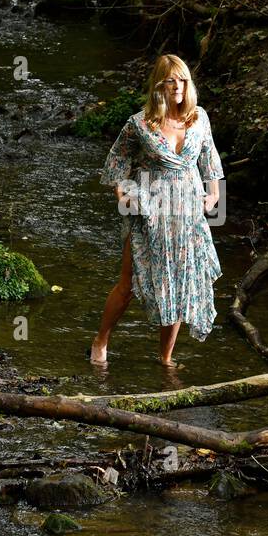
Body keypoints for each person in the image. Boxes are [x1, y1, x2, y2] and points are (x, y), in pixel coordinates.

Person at [89, 54, 224, 367]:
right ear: (158, 85)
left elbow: (211, 162)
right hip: (149, 211)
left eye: (182, 80)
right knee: (128, 285)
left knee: (177, 286)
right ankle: (101, 339)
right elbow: (117, 161)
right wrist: (121, 191)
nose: (177, 86)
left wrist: (214, 195)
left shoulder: (199, 117)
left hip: (188, 213)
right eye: (170, 80)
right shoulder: (139, 124)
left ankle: (165, 358)